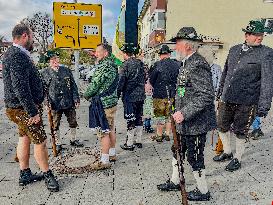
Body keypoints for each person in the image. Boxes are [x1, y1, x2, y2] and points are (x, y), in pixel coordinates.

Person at [157, 27, 216, 201]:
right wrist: (176, 106)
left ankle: (203, 191)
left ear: (188, 45)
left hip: (196, 122)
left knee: (195, 156)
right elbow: (185, 90)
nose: (175, 47)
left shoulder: (198, 64)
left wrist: (184, 112)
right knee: (177, 150)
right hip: (183, 121)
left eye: (177, 44)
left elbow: (205, 95)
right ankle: (175, 181)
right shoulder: (186, 62)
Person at [2, 24, 59, 192]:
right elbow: (20, 87)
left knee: (24, 137)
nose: (33, 39)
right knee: (40, 141)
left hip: (18, 107)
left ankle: (25, 173)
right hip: (23, 109)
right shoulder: (17, 55)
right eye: (32, 36)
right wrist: (32, 112)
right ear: (25, 36)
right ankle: (48, 174)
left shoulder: (15, 54)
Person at [213, 20, 273, 172]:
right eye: (255, 34)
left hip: (248, 101)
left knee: (241, 131)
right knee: (221, 125)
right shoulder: (234, 50)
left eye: (261, 35)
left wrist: (264, 105)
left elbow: (267, 80)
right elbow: (226, 73)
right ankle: (227, 151)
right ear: (246, 35)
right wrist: (219, 94)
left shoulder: (266, 53)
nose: (259, 37)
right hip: (227, 97)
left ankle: (237, 158)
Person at [41, 50, 83, 155]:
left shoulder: (66, 70)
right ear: (48, 62)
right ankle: (58, 143)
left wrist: (76, 99)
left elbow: (73, 85)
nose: (55, 61)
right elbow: (42, 90)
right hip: (54, 103)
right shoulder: (44, 73)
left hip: (68, 101)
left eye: (56, 58)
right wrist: (46, 102)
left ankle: (73, 140)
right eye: (52, 59)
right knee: (55, 124)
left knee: (73, 122)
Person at [84, 43, 119, 169]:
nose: (96, 53)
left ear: (106, 53)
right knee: (110, 129)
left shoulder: (104, 66)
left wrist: (86, 95)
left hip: (103, 103)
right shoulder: (113, 64)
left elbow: (95, 84)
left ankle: (104, 161)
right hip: (111, 102)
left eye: (98, 51)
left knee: (103, 132)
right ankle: (112, 153)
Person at [118, 44, 146, 151]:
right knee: (139, 118)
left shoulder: (124, 65)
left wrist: (117, 95)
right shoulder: (141, 64)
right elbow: (145, 77)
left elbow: (121, 82)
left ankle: (129, 143)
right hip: (141, 96)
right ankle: (138, 140)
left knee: (130, 119)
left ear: (125, 54)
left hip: (129, 96)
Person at [149, 45, 179, 142]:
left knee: (160, 115)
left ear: (160, 55)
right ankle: (167, 133)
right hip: (172, 94)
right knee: (169, 114)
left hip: (159, 94)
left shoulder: (156, 65)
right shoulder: (176, 64)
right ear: (169, 54)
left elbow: (151, 80)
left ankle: (159, 135)